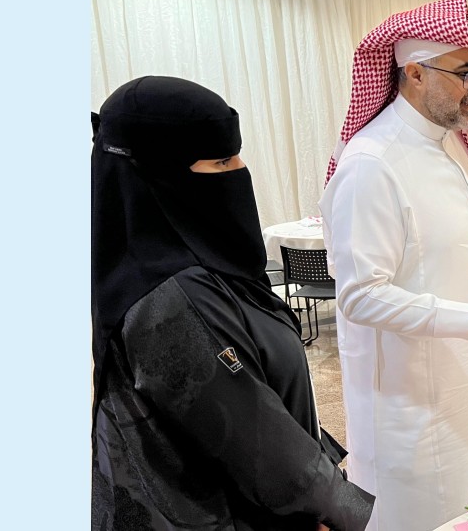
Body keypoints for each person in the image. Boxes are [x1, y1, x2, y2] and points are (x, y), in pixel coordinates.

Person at [90, 76, 375, 530]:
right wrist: (343, 510)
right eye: (222, 160)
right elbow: (257, 440)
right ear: (162, 177)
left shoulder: (209, 269)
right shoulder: (173, 299)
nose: (240, 170)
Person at [318, 0, 468, 529]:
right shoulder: (371, 164)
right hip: (413, 410)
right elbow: (359, 295)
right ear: (415, 73)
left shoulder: (460, 149)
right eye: (466, 72)